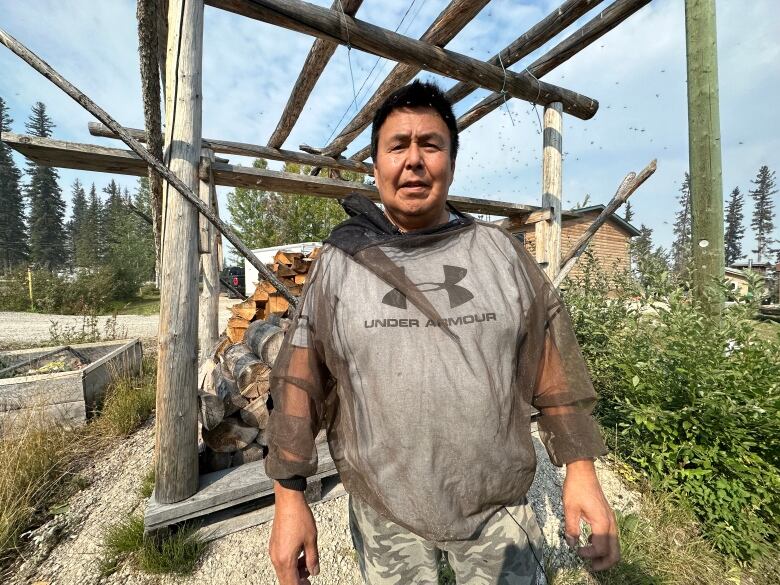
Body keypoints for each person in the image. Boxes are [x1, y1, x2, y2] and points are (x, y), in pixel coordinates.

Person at [266, 80, 619, 585]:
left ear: (451, 162)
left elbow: (551, 363)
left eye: (430, 145)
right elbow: (298, 384)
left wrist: (581, 472)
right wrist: (289, 498)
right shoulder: (340, 266)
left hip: (497, 508)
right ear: (376, 166)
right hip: (385, 508)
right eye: (397, 146)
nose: (414, 160)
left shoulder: (500, 255)